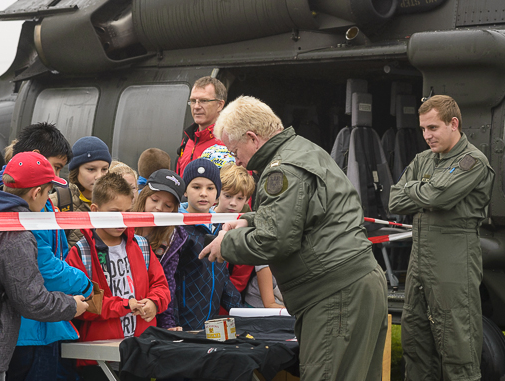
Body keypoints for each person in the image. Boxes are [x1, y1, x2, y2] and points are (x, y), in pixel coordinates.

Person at [200, 96, 388, 380]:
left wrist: (226, 244)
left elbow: (275, 239)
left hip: (333, 295)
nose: (235, 160)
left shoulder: (281, 170)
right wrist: (247, 220)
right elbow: (302, 213)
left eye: (235, 150)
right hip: (353, 286)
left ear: (253, 137)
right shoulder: (301, 150)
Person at [0, 152, 89, 381]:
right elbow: (31, 300)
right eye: (49, 191)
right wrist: (71, 305)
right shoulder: (14, 234)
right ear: (35, 192)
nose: (49, 198)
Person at [389, 95, 494, 380]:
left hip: (453, 261)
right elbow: (394, 199)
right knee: (415, 341)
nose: (427, 136)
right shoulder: (424, 159)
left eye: (433, 128)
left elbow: (440, 196)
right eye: (423, 129)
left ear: (453, 124)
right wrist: (426, 191)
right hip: (420, 260)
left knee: (457, 344)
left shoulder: (472, 161)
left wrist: (423, 190)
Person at [65, 173, 170, 376]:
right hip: (97, 357)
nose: (122, 219)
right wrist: (124, 305)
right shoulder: (80, 252)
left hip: (142, 352)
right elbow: (83, 304)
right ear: (94, 210)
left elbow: (162, 286)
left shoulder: (142, 246)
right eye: (114, 212)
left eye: (127, 212)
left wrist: (154, 303)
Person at [177, 158, 242, 331]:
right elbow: (169, 280)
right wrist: (170, 321)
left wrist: (240, 311)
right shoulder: (176, 227)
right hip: (182, 323)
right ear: (185, 190)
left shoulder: (221, 227)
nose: (204, 193)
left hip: (213, 323)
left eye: (210, 188)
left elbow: (222, 274)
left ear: (217, 192)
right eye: (196, 187)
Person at [133, 169, 187, 331]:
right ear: (144, 196)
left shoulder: (173, 238)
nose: (158, 208)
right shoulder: (122, 223)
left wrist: (167, 326)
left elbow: (167, 283)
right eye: (154, 199)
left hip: (149, 314)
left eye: (167, 205)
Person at [50, 136, 112, 247]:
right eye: (91, 169)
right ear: (76, 170)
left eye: (104, 169)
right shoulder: (56, 202)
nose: (99, 176)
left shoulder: (116, 202)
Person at [214, 163, 255, 301]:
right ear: (217, 192)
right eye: (228, 195)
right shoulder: (201, 218)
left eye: (239, 198)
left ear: (247, 200)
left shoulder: (246, 229)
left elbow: (239, 279)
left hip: (224, 302)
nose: (233, 203)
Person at [175, 77, 226, 176]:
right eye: (193, 101)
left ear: (220, 105)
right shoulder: (188, 139)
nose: (196, 106)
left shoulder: (229, 142)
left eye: (203, 101)